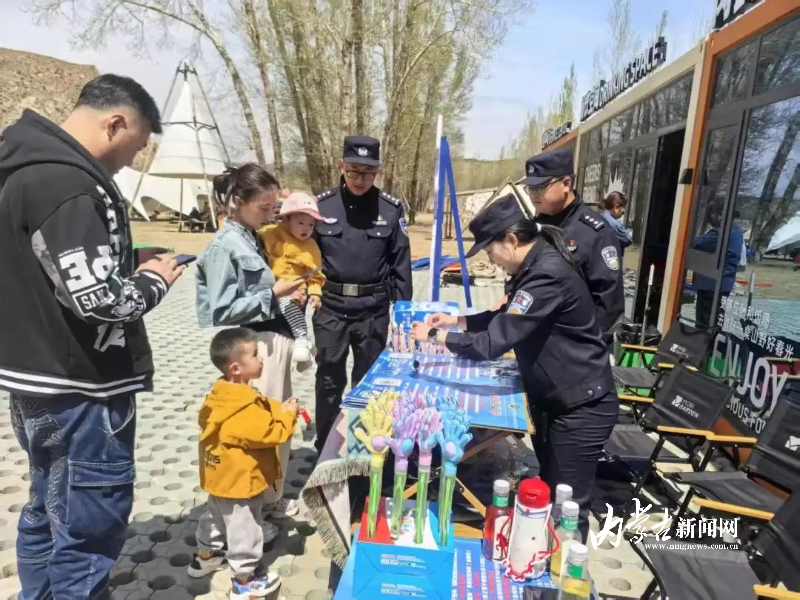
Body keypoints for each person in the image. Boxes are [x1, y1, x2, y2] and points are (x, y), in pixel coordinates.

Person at [0, 74, 185, 598]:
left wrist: (126, 260)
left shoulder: (23, 169)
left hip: (36, 380)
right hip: (82, 389)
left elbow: (46, 269)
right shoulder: (68, 183)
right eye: (138, 145)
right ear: (115, 123)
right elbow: (99, 301)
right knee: (87, 526)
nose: (133, 159)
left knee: (47, 508)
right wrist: (153, 282)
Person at [410, 194, 619, 542]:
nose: (490, 260)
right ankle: (539, 564)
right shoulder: (533, 268)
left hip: (581, 407)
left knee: (567, 512)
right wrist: (457, 321)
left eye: (490, 251)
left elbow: (493, 343)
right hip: (556, 401)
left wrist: (436, 336)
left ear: (510, 239)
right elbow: (505, 317)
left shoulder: (546, 274)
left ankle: (567, 572)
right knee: (548, 499)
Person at [196, 164, 306, 523]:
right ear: (238, 201)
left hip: (274, 340)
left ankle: (269, 500)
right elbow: (221, 309)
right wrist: (275, 294)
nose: (270, 215)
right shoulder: (225, 245)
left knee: (278, 423)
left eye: (274, 207)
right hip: (257, 347)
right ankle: (256, 511)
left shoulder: (251, 237)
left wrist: (288, 295)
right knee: (263, 430)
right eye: (264, 207)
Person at [313, 135, 412, 452]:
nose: (360, 179)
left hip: (373, 311)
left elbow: (400, 264)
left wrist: (404, 317)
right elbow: (303, 257)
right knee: (329, 381)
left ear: (377, 171)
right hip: (330, 309)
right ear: (341, 166)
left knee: (370, 383)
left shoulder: (390, 209)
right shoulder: (321, 207)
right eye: (354, 171)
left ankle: (367, 447)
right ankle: (326, 446)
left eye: (368, 173)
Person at [190, 328, 298, 599]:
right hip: (241, 483)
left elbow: (261, 408)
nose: (261, 359)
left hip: (219, 477)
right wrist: (290, 415)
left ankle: (205, 557)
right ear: (236, 368)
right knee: (246, 529)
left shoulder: (222, 394)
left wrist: (279, 408)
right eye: (255, 354)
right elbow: (273, 433)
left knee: (215, 518)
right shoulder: (243, 409)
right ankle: (244, 580)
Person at [524, 149, 624, 346]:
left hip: (574, 349)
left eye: (541, 187)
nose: (534, 194)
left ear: (566, 184)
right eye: (530, 188)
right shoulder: (535, 227)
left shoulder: (595, 233)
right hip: (536, 340)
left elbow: (608, 305)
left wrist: (584, 348)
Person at [260, 192, 326, 366]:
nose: (306, 228)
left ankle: (302, 340)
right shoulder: (272, 233)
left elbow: (315, 272)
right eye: (301, 223)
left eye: (311, 224)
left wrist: (315, 292)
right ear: (286, 219)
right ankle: (303, 341)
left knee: (289, 306)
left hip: (296, 288)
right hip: (273, 285)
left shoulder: (311, 246)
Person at [692, 203, 744, 327]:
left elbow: (695, 242)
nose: (711, 218)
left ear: (721, 215)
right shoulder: (736, 229)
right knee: (716, 321)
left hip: (712, 284)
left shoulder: (720, 233)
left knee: (705, 324)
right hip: (724, 283)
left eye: (713, 214)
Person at [600, 191, 633, 256]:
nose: (623, 211)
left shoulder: (599, 216)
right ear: (616, 207)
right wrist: (629, 233)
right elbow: (628, 239)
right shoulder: (615, 224)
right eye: (623, 207)